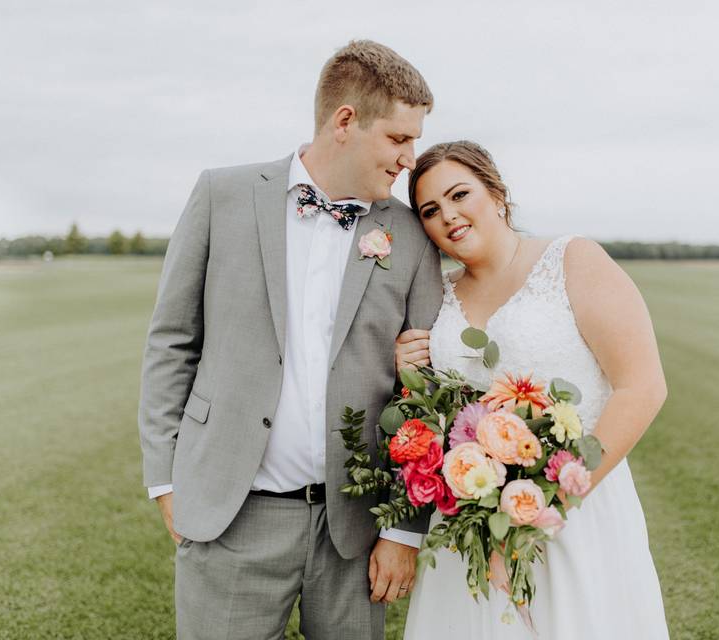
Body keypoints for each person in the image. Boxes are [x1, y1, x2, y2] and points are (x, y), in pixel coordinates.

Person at [137, 40, 442, 640]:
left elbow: (432, 389)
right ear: (345, 122)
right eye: (400, 138)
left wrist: (404, 528)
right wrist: (166, 479)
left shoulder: (410, 233)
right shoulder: (222, 195)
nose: (411, 158)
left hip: (356, 528)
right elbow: (172, 341)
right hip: (231, 516)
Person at [396, 141, 670, 638]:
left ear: (497, 193)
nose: (448, 216)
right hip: (471, 518)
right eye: (430, 210)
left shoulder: (573, 260)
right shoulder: (437, 294)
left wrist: (543, 510)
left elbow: (642, 387)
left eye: (460, 195)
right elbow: (436, 410)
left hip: (577, 507)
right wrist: (409, 369)